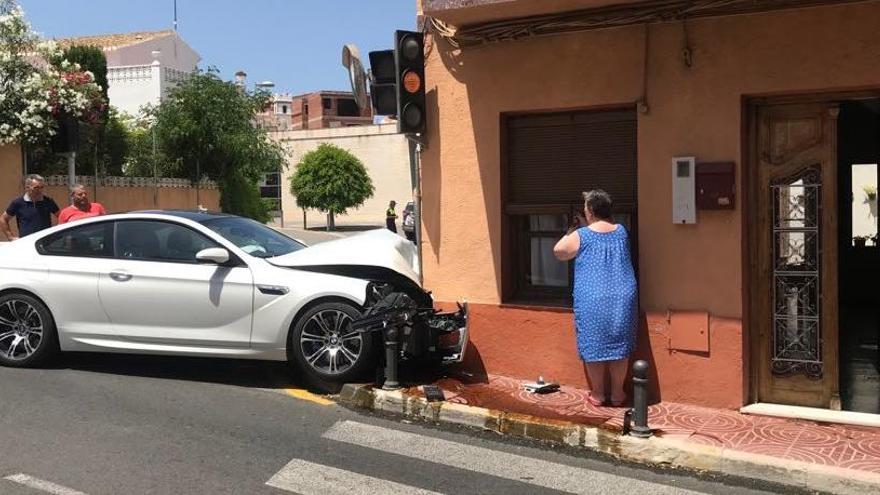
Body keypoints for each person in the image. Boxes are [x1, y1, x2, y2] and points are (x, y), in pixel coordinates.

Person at [553, 190, 638, 407]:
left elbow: (560, 252)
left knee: (594, 344)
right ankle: (618, 394)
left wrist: (573, 228)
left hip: (593, 296)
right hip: (622, 295)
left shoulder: (582, 235)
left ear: (589, 211)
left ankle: (599, 394)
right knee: (620, 344)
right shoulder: (621, 231)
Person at [1, 174, 60, 240]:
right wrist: (10, 237)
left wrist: (56, 233)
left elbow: (61, 216)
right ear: (27, 187)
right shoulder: (18, 203)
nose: (40, 190)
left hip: (45, 243)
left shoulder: (48, 201)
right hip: (27, 243)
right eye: (36, 188)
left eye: (42, 187)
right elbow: (3, 219)